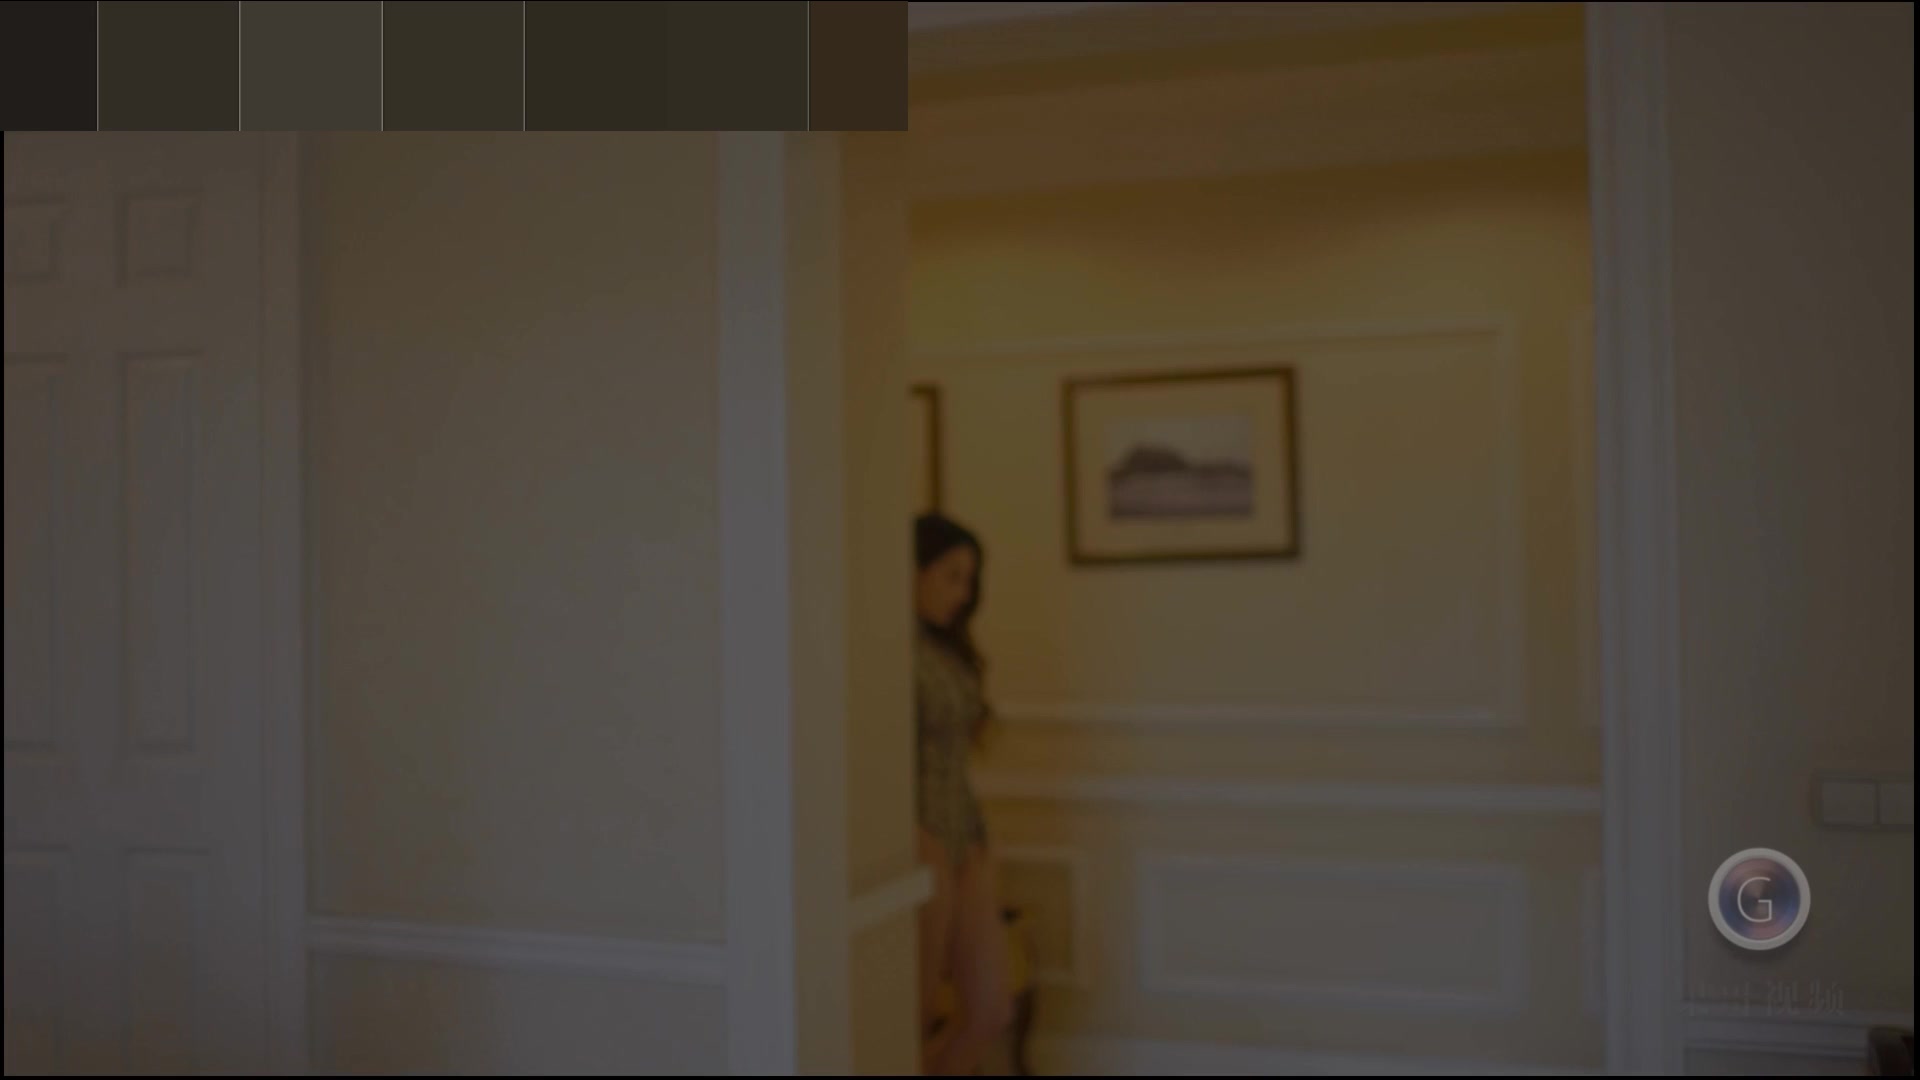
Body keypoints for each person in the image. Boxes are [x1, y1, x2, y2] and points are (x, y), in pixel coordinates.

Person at [913, 512, 1013, 1075]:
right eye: (951, 575)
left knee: (991, 1009)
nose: (963, 593)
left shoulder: (946, 648)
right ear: (914, 570)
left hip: (965, 833)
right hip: (918, 834)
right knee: (916, 1010)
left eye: (969, 580)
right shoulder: (887, 649)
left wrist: (977, 843)